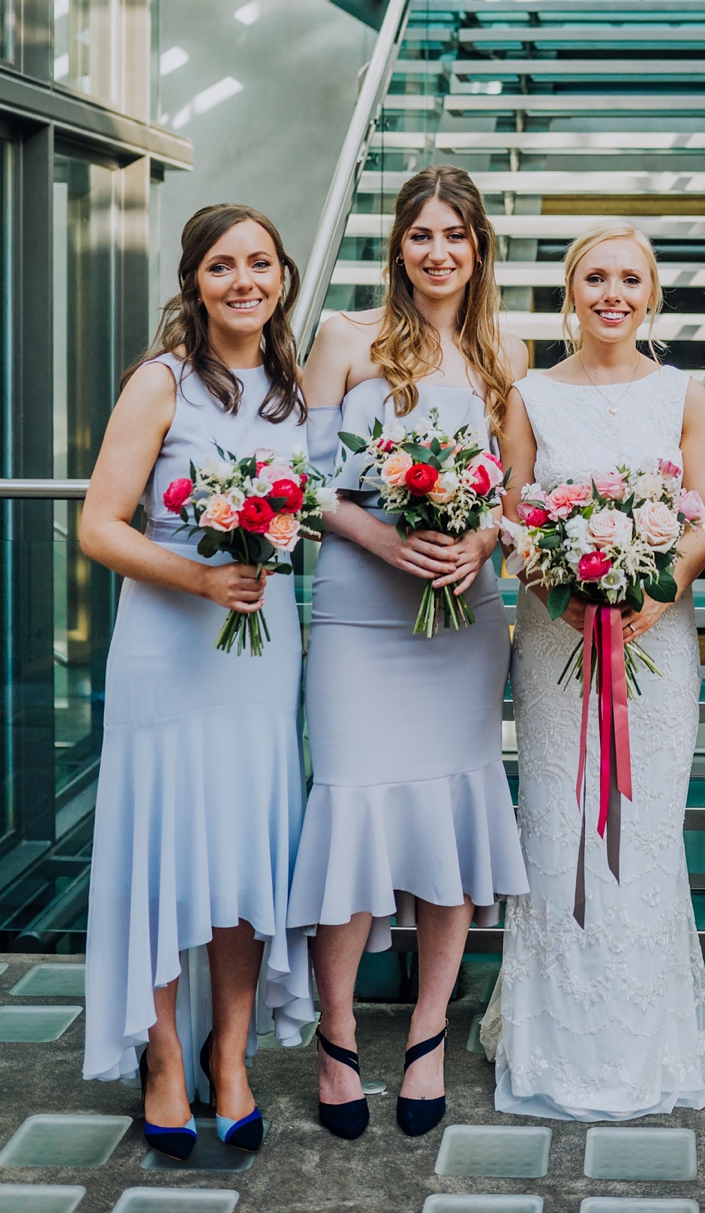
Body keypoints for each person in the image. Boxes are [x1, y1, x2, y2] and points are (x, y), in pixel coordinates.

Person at [288, 165, 528, 1141]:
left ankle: (428, 1030)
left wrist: (477, 541)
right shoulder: (345, 340)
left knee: (451, 814)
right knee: (348, 804)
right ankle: (337, 1029)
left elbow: (517, 494)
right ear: (398, 245)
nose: (438, 252)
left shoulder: (504, 352)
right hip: (357, 615)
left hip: (462, 621)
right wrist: (385, 539)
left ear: (479, 251)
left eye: (456, 237)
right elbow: (298, 484)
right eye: (421, 235)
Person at [81, 205, 313, 1159]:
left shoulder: (297, 392)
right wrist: (203, 576)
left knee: (241, 851)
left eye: (261, 263)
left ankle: (232, 1052)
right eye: (223, 265)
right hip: (168, 651)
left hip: (265, 658)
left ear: (285, 277)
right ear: (195, 280)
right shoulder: (162, 380)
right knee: (166, 853)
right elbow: (101, 525)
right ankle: (165, 1054)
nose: (244, 280)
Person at [486, 219, 705, 1121]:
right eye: (595, 278)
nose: (612, 294)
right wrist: (569, 586)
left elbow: (703, 515)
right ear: (570, 291)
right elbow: (514, 522)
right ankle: (552, 1041)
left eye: (629, 279)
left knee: (644, 835)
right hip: (556, 639)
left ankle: (640, 1043)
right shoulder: (532, 394)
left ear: (651, 294)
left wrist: (655, 594)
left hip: (657, 639)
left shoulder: (685, 392)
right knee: (556, 826)